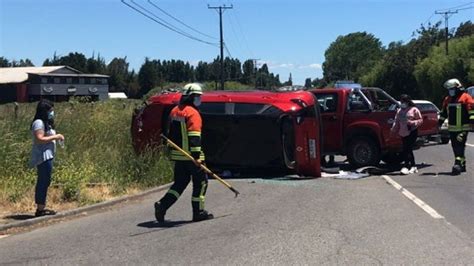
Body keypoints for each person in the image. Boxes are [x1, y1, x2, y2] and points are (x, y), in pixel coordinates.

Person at [154, 83, 214, 223]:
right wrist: (197, 157)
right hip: (192, 157)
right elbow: (194, 137)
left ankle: (162, 205)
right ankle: (198, 212)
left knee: (179, 184)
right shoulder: (193, 113)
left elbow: (170, 132)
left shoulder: (175, 111)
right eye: (198, 97)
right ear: (192, 97)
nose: (200, 99)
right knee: (201, 183)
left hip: (178, 156)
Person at [30, 99, 65, 217]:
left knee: (46, 180)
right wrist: (56, 137)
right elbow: (39, 138)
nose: (52, 112)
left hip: (48, 155)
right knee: (43, 181)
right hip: (42, 156)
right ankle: (40, 208)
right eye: (50, 110)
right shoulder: (39, 123)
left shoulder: (47, 123)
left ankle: (42, 206)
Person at [438, 78, 474, 175]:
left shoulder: (466, 97)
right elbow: (444, 113)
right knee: (455, 147)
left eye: (452, 89)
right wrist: (439, 123)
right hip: (452, 128)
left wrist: (472, 121)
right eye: (449, 89)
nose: (451, 91)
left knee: (459, 146)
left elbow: (471, 111)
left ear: (458, 87)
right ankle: (462, 164)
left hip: (463, 128)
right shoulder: (447, 99)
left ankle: (457, 164)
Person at [390, 94, 423, 175]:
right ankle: (412, 165)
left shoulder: (414, 110)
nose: (402, 103)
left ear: (408, 102)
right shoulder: (399, 111)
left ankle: (407, 165)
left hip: (412, 131)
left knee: (408, 148)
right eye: (401, 101)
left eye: (404, 101)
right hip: (403, 132)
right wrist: (393, 130)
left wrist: (413, 123)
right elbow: (396, 121)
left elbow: (420, 120)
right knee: (406, 149)